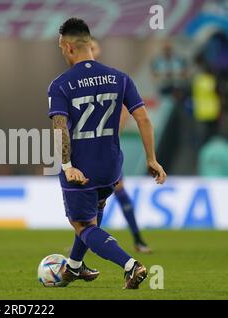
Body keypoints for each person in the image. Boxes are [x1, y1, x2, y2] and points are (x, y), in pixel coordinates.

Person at [48, 18, 166, 288]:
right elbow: (144, 119)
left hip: (81, 167)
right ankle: (75, 267)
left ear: (67, 47)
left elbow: (59, 126)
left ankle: (131, 266)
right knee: (94, 214)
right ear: (89, 43)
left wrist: (67, 166)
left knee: (82, 226)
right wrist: (151, 159)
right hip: (111, 168)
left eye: (60, 48)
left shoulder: (61, 85)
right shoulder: (121, 78)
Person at [91, 38, 152, 253]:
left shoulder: (111, 80)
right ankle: (89, 241)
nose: (93, 50)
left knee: (115, 192)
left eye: (94, 46)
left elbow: (128, 114)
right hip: (88, 151)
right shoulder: (79, 82)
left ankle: (137, 238)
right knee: (93, 197)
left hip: (106, 150)